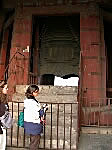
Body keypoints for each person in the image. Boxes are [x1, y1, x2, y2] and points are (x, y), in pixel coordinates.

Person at [24, 84, 47, 150]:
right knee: (35, 142)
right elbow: (39, 112)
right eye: (36, 91)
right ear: (32, 92)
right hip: (34, 123)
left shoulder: (27, 101)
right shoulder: (33, 102)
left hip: (28, 123)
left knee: (33, 141)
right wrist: (44, 109)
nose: (37, 93)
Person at [0, 80, 9, 150]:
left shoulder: (4, 99)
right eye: (6, 88)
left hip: (3, 125)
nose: (7, 89)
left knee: (3, 145)